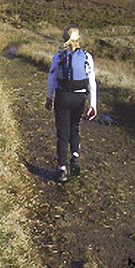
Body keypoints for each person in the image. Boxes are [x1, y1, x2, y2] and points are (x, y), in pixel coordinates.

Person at [45, 25, 97, 182]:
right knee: (75, 127)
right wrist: (92, 104)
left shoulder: (58, 56)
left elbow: (52, 79)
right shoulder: (87, 57)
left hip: (62, 97)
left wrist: (49, 98)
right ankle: (75, 156)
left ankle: (62, 169)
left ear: (64, 39)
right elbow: (92, 82)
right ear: (79, 39)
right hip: (79, 98)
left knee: (63, 132)